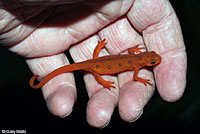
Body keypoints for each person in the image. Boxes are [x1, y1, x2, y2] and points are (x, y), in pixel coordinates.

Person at [0, 0, 187, 128]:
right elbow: (136, 75)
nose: (154, 60)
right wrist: (104, 82)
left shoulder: (137, 61)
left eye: (152, 60)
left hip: (96, 62)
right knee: (96, 68)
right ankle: (99, 78)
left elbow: (132, 56)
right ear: (147, 58)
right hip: (95, 66)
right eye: (153, 59)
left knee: (95, 64)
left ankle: (45, 79)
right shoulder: (138, 66)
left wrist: (103, 48)